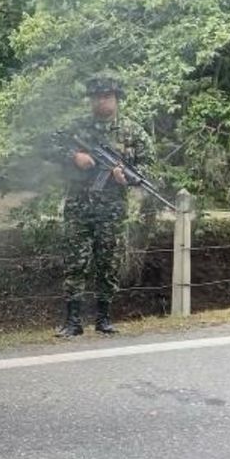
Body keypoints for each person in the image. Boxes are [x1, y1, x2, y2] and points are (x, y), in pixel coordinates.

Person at [53, 72, 153, 337]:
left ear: (117, 98)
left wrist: (125, 179)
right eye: (97, 97)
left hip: (111, 211)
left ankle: (103, 319)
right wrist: (75, 156)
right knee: (75, 262)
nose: (102, 102)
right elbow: (50, 145)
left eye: (107, 96)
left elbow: (147, 170)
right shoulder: (76, 128)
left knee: (107, 263)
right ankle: (73, 322)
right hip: (78, 207)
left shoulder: (133, 132)